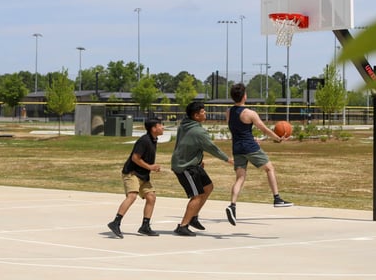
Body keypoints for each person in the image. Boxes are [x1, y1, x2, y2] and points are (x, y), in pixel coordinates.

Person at [225, 83, 292, 227]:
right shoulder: (249, 113)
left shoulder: (229, 112)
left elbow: (235, 129)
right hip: (250, 146)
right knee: (269, 168)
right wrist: (278, 138)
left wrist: (250, 137)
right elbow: (264, 128)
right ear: (244, 96)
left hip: (237, 147)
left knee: (240, 178)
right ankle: (277, 198)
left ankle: (232, 205)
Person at [171, 101, 233, 236]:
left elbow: (187, 144)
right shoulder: (198, 131)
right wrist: (227, 159)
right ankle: (183, 226)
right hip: (185, 167)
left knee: (208, 187)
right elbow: (212, 148)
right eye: (202, 112)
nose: (205, 113)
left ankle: (193, 217)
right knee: (197, 195)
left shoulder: (185, 124)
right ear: (195, 115)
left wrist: (198, 158)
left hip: (193, 163)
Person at [107, 118, 164, 239]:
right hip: (132, 173)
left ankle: (145, 226)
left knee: (151, 197)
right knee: (132, 195)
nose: (163, 127)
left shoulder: (153, 139)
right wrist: (150, 167)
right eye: (161, 125)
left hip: (143, 175)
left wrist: (151, 168)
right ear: (154, 128)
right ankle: (115, 222)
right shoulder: (144, 140)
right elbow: (135, 158)